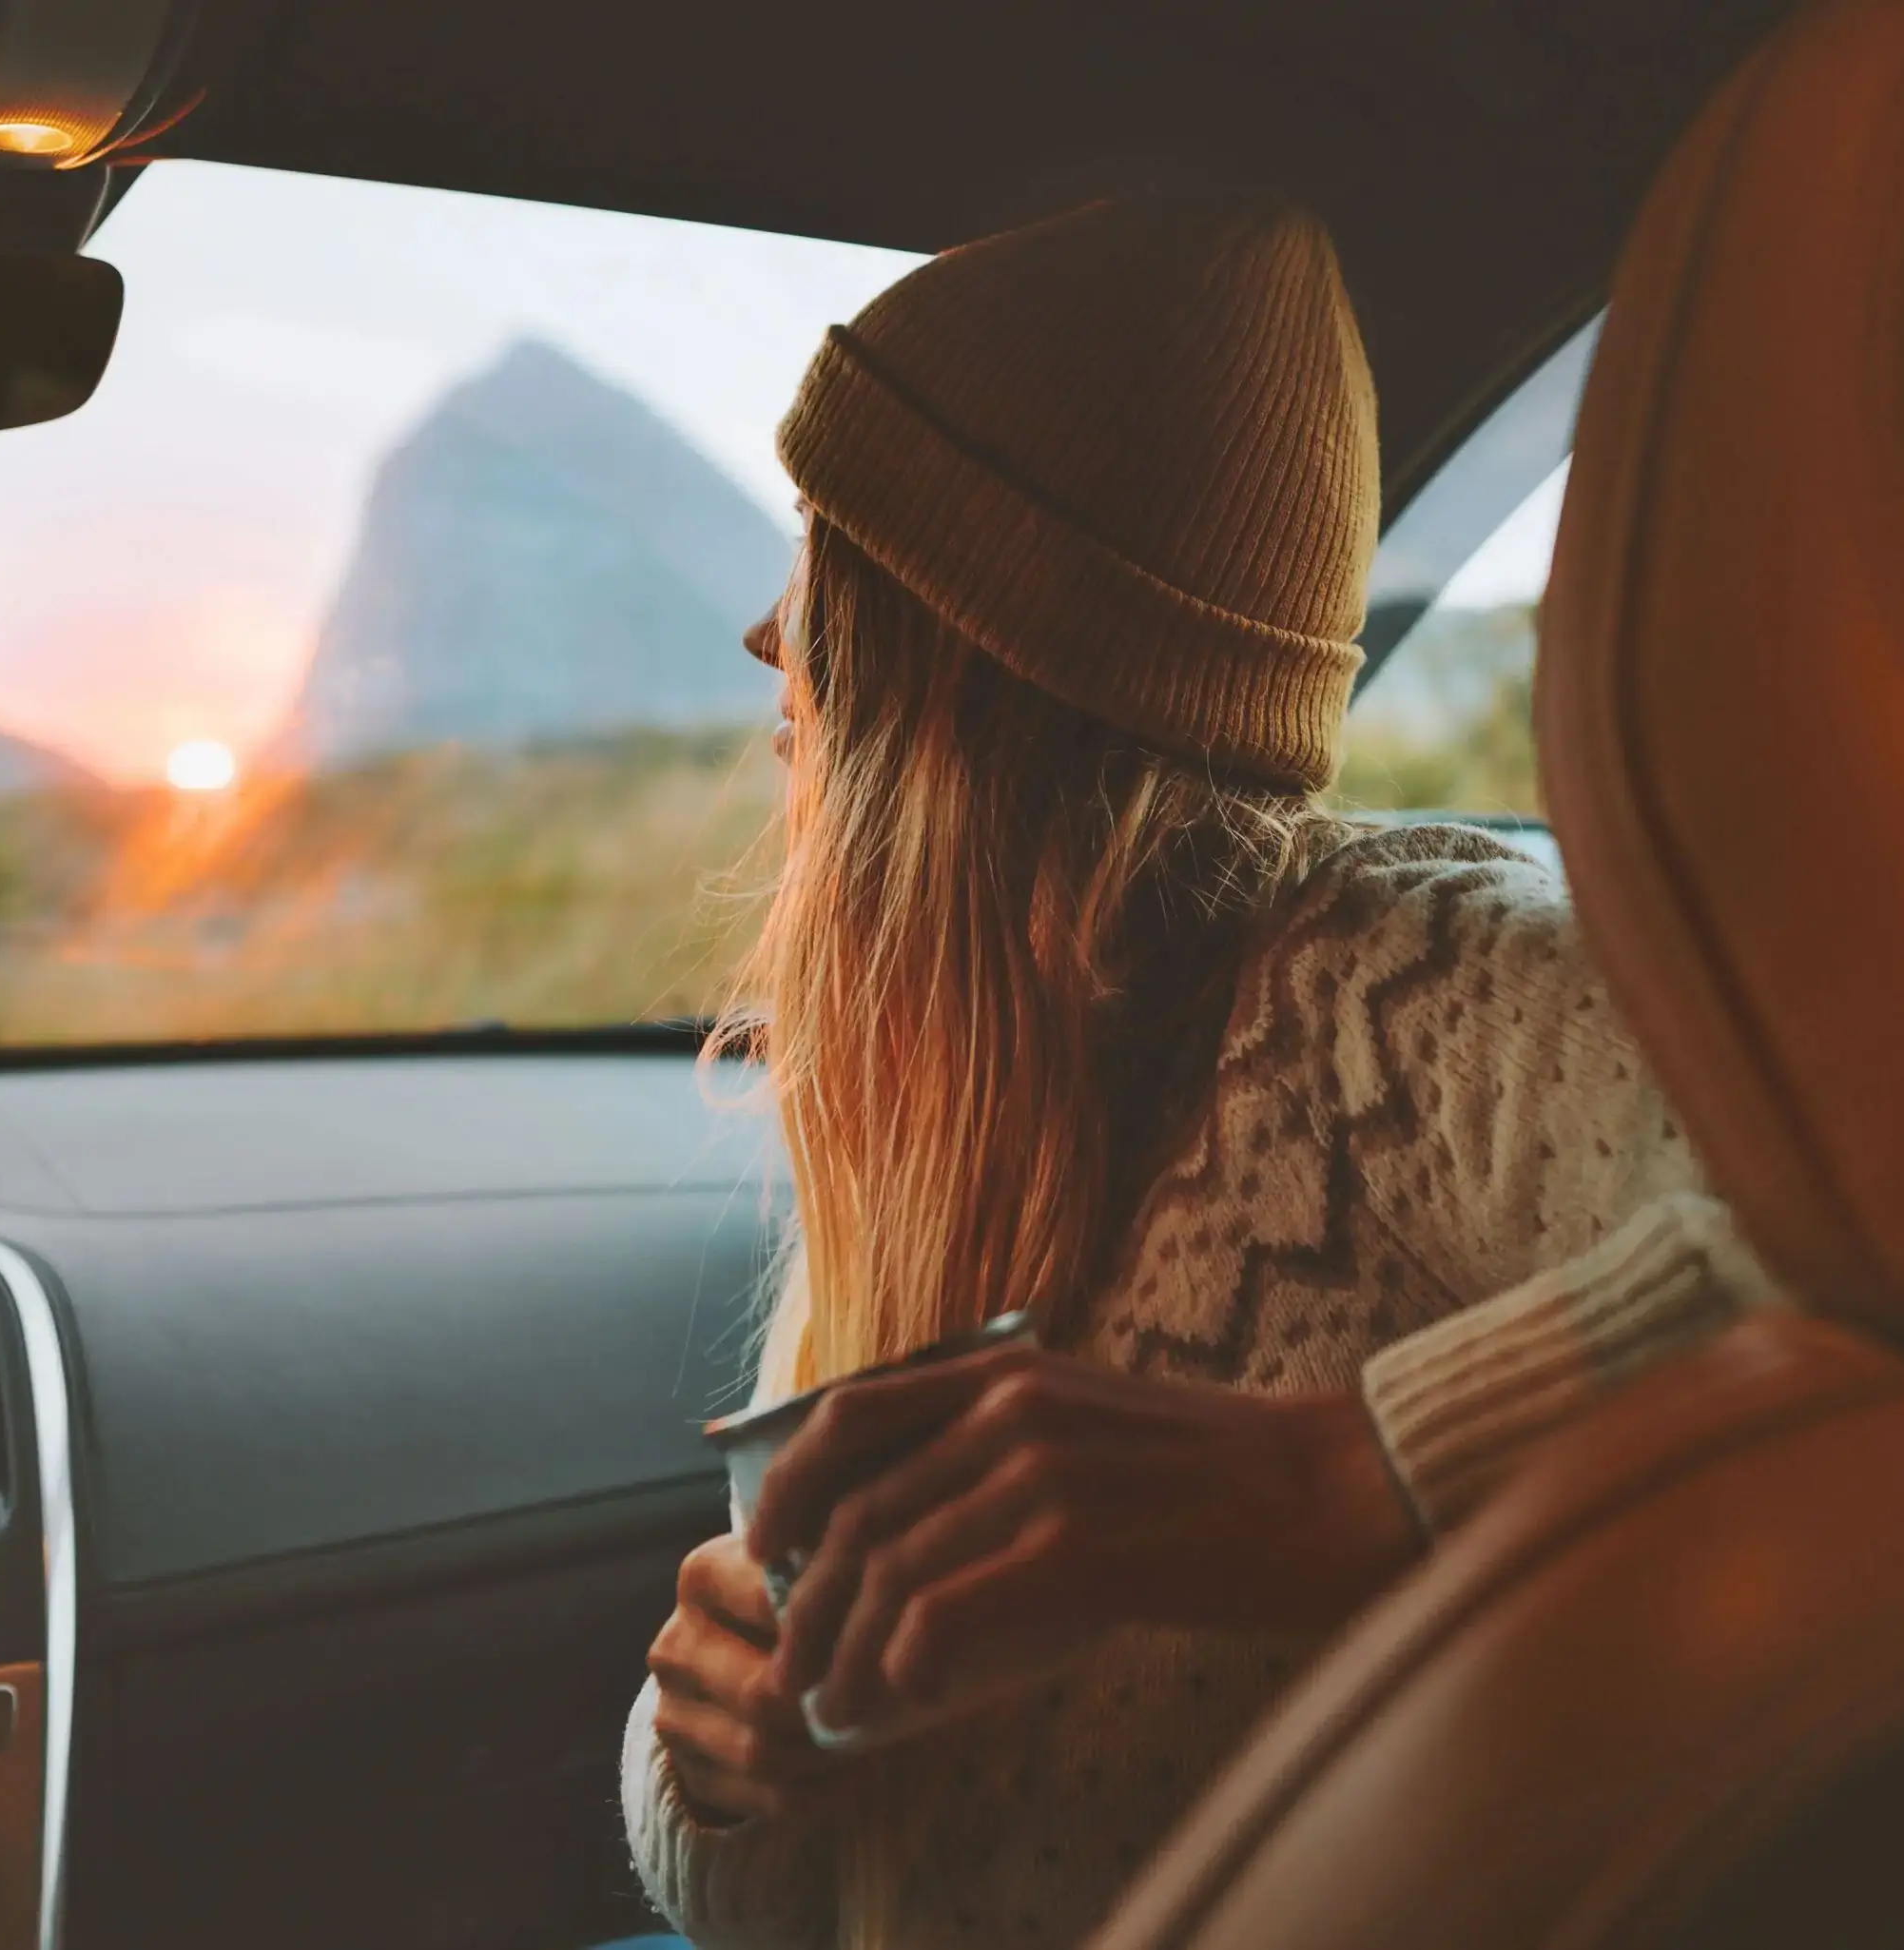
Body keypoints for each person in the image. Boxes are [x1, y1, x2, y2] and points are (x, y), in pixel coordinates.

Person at [621, 193, 1767, 1950]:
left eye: (826, 554)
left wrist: (1338, 1478)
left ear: (970, 642)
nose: (773, 641)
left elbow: (1892, 1241)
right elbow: (788, 1905)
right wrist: (717, 1763)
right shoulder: (946, 1101)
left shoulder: (1418, 986)